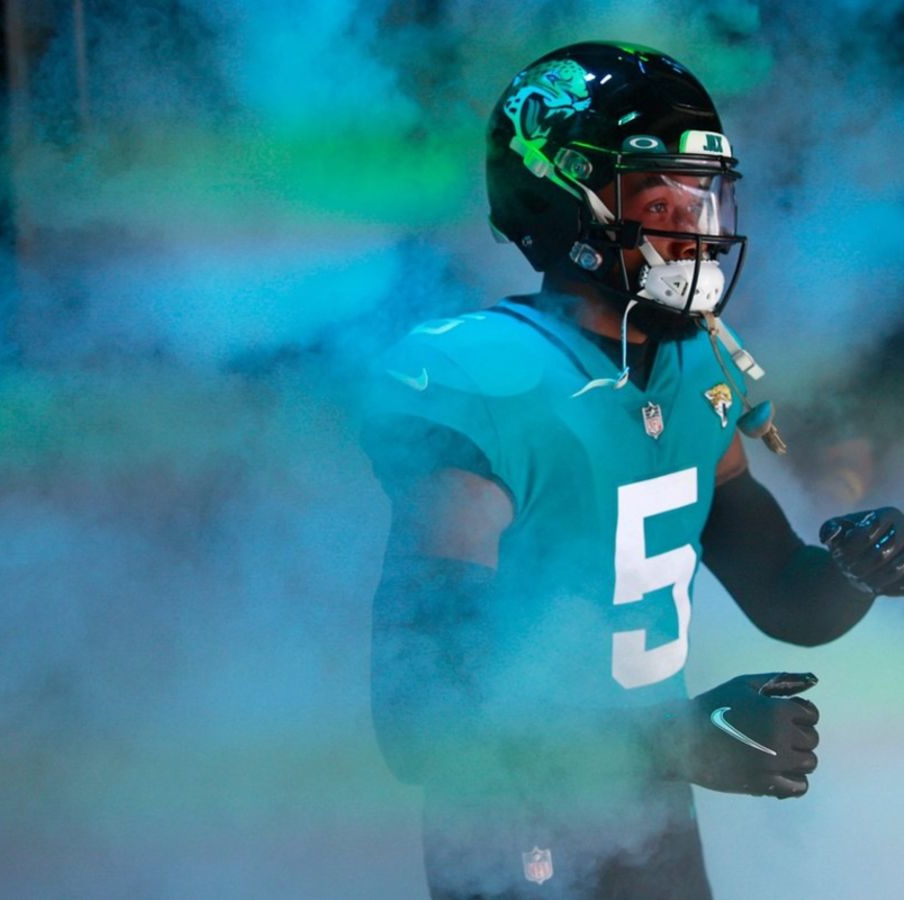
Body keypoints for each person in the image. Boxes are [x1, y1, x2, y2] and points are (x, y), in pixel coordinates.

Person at [361, 42, 904, 899]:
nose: (700, 231)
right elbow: (424, 724)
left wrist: (860, 569)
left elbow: (784, 593)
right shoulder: (493, 383)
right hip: (520, 830)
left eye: (707, 197)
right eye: (662, 201)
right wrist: (678, 744)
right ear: (566, 207)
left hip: (650, 818)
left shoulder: (695, 375)